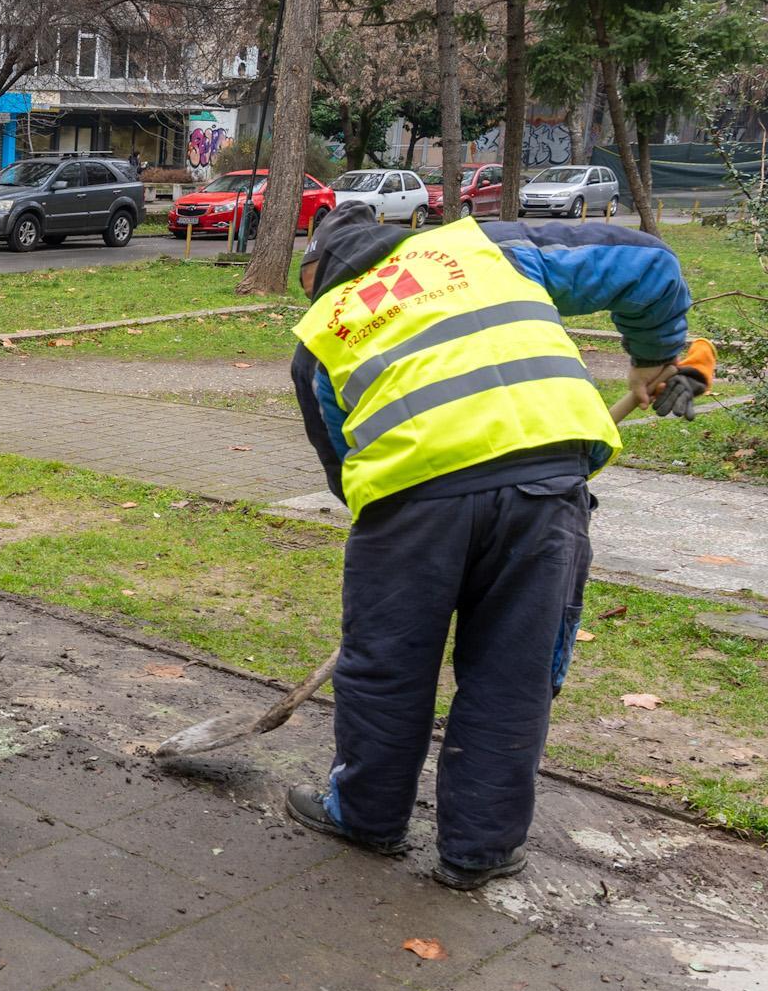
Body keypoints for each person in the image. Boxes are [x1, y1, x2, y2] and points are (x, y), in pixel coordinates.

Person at [285, 200, 714, 889]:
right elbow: (648, 264)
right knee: (510, 675)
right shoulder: (482, 248)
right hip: (546, 486)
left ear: (319, 272)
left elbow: (341, 466)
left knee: (385, 667)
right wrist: (655, 354)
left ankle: (366, 818)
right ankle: (478, 849)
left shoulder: (320, 335)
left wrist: (408, 532)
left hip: (410, 504)